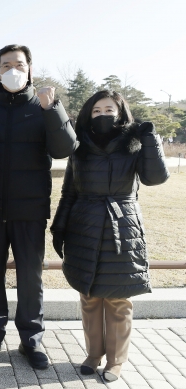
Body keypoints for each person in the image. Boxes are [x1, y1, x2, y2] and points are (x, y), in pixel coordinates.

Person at [0, 44, 77, 369]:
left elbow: (65, 148)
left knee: (31, 278)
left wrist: (53, 107)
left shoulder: (43, 107)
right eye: (5, 65)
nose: (12, 69)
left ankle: (32, 339)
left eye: (18, 64)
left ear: (30, 68)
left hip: (30, 210)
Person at [51, 90, 169, 381]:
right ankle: (93, 354)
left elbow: (155, 177)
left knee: (118, 298)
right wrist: (59, 227)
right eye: (96, 111)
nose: (103, 115)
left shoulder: (135, 142)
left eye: (109, 110)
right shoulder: (79, 146)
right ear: (88, 115)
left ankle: (115, 361)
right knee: (89, 296)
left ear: (121, 112)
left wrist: (150, 137)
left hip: (123, 226)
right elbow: (69, 191)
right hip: (84, 224)